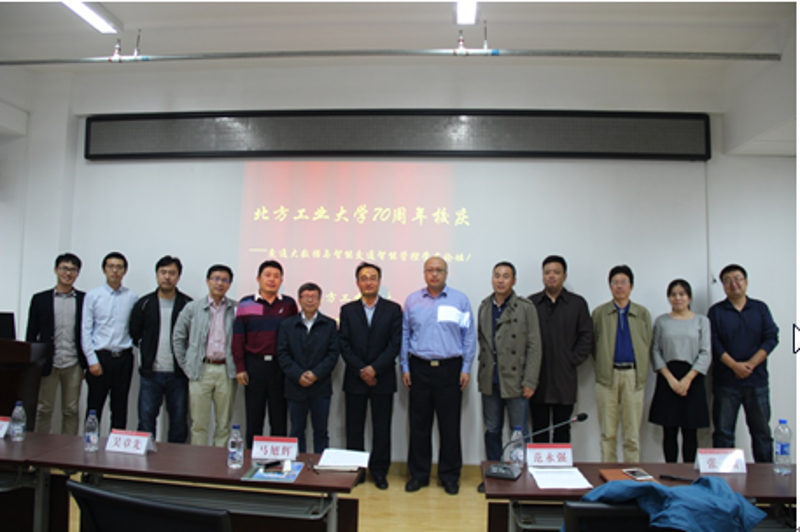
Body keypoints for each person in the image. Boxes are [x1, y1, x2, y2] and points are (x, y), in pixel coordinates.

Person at [400, 256, 476, 496]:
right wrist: (405, 367)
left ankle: (450, 476)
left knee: (450, 426)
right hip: (419, 368)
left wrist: (466, 367)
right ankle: (419, 475)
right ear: (424, 273)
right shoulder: (412, 300)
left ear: (446, 273)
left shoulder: (460, 300)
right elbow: (404, 335)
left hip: (450, 369)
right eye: (430, 270)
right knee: (419, 426)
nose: (434, 274)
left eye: (439, 270)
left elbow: (469, 336)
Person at [477, 261, 541, 493]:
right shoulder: (485, 306)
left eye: (506, 276)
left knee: (519, 432)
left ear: (514, 281)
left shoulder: (525, 307)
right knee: (492, 430)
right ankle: (493, 476)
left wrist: (530, 380)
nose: (500, 280)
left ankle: (521, 478)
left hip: (516, 381)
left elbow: (535, 346)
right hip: (490, 380)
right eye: (497, 275)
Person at [339, 262, 402, 490]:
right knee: (354, 428)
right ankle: (356, 471)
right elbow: (344, 344)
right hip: (355, 378)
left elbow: (395, 344)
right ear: (357, 283)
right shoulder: (347, 310)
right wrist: (362, 370)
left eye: (373, 277)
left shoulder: (393, 309)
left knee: (381, 428)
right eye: (364, 278)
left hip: (382, 378)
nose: (368, 282)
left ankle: (379, 472)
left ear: (379, 281)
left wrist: (375, 368)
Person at [707, 264, 778, 463]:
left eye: (737, 279)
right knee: (723, 433)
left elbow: (771, 338)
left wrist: (751, 364)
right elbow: (713, 343)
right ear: (723, 286)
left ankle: (765, 479)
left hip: (757, 381)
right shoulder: (716, 312)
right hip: (726, 382)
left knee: (762, 433)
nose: (733, 284)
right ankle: (723, 479)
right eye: (728, 280)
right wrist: (735, 366)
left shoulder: (760, 308)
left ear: (746, 282)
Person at [232, 260, 298, 448]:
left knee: (279, 417)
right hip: (254, 366)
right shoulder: (246, 303)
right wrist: (240, 367)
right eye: (267, 275)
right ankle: (251, 459)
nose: (272, 279)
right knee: (254, 417)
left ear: (281, 280)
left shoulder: (288, 305)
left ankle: (278, 459)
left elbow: (295, 336)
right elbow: (238, 338)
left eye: (276, 276)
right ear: (258, 278)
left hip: (280, 367)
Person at [528, 255, 593, 443]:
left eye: (556, 272)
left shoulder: (577, 303)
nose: (551, 276)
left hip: (565, 379)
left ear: (564, 276)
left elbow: (586, 336)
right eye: (547, 272)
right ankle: (540, 463)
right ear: (542, 276)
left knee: (562, 429)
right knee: (539, 428)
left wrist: (571, 360)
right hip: (537, 379)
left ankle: (560, 463)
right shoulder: (531, 303)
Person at [591, 264, 652, 463]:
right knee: (607, 433)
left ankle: (631, 474)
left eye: (623, 282)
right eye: (615, 283)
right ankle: (608, 473)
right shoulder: (599, 313)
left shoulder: (642, 313)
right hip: (607, 377)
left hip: (633, 376)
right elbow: (593, 345)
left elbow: (648, 342)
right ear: (609, 286)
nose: (619, 286)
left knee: (631, 434)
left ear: (631, 286)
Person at [129, 256, 192, 443]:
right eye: (163, 272)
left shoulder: (187, 304)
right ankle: (145, 457)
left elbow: (193, 337)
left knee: (179, 421)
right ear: (156, 274)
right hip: (151, 373)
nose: (167, 277)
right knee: (146, 419)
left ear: (178, 277)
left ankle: (175, 459)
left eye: (172, 273)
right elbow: (135, 333)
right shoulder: (144, 303)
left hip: (178, 374)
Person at [173, 265, 237, 447]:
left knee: (223, 425)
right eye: (215, 278)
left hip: (226, 370)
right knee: (199, 424)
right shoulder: (192, 308)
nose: (219, 283)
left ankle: (219, 462)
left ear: (229, 284)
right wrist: (187, 365)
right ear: (208, 281)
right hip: (201, 370)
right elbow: (178, 337)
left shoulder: (236, 308)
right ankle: (199, 462)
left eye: (224, 280)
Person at [648, 279, 711, 463]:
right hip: (668, 378)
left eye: (682, 294)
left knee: (690, 432)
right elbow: (655, 350)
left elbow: (706, 352)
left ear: (689, 297)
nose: (678, 298)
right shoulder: (662, 321)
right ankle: (670, 471)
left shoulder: (701, 321)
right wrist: (671, 379)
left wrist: (687, 379)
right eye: (673, 294)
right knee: (669, 431)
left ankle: (689, 473)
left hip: (693, 378)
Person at [26, 253, 87, 435]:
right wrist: (32, 364)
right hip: (47, 363)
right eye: (64, 268)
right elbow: (31, 334)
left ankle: (67, 451)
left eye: (73, 270)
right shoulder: (40, 299)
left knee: (71, 411)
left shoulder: (84, 299)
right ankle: (40, 450)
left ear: (78, 273)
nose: (68, 273)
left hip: (73, 363)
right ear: (56, 270)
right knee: (44, 409)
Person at [277, 282, 340, 454]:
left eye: (314, 297)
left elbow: (333, 354)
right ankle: (299, 466)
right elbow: (282, 354)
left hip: (320, 386)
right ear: (299, 300)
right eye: (306, 297)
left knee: (321, 431)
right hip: (295, 386)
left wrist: (315, 374)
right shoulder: (287, 325)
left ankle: (320, 466)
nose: (310, 300)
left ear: (320, 300)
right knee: (297, 431)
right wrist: (298, 375)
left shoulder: (329, 324)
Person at [82, 252, 139, 430]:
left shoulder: (132, 297)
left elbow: (136, 327)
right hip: (100, 358)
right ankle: (90, 441)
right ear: (104, 269)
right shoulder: (93, 296)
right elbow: (85, 330)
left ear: (125, 271)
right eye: (111, 266)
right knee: (94, 407)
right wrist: (91, 361)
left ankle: (116, 443)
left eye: (119, 267)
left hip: (123, 358)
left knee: (120, 407)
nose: (115, 270)